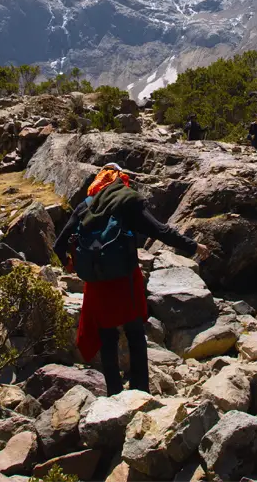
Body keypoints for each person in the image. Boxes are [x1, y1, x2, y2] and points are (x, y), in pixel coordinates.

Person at [53, 164, 210, 396]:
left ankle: (114, 393)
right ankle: (140, 391)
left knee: (107, 336)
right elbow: (161, 231)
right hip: (125, 278)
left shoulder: (86, 206)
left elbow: (59, 244)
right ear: (120, 180)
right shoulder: (127, 202)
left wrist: (69, 264)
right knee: (135, 332)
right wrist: (193, 246)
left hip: (97, 282)